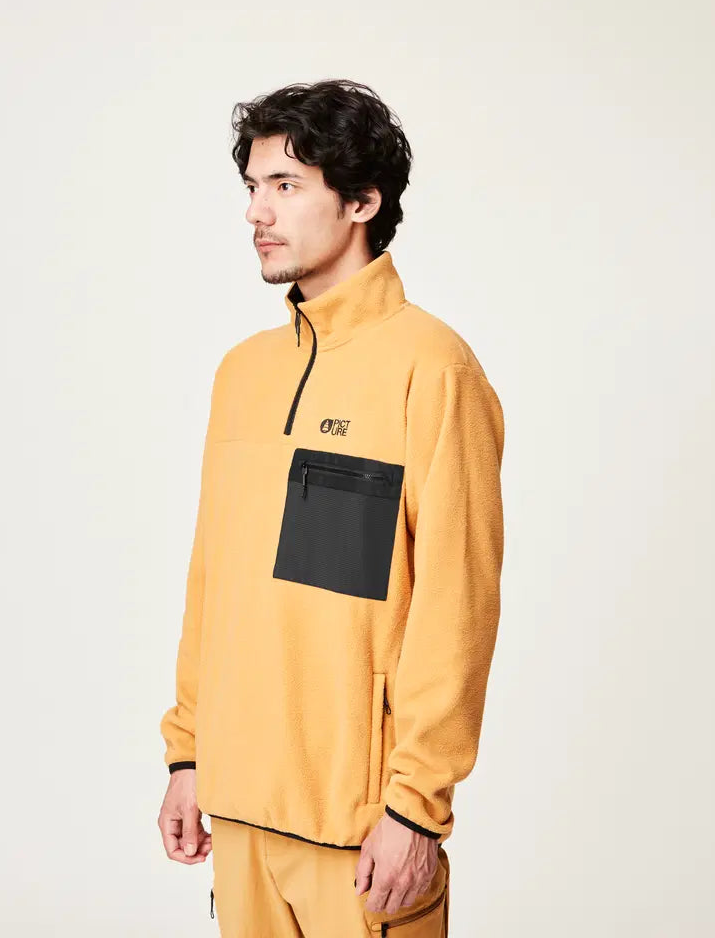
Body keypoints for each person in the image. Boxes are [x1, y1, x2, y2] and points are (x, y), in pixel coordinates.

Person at [157, 78, 505, 937]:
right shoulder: (243, 372)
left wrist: (416, 808)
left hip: (360, 830)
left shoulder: (434, 369)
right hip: (238, 811)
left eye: (286, 185)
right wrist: (188, 753)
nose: (257, 212)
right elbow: (212, 580)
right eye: (253, 186)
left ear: (362, 201)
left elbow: (457, 606)